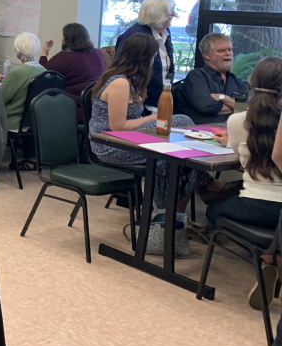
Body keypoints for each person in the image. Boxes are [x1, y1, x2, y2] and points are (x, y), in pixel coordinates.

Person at [89, 33, 206, 210]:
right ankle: (168, 211)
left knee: (180, 155)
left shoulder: (132, 80)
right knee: (182, 123)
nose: (154, 61)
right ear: (144, 58)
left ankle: (173, 212)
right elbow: (117, 127)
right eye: (153, 57)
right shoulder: (119, 83)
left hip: (126, 139)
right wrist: (152, 118)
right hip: (109, 145)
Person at [206, 57, 282, 239]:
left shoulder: (237, 121)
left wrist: (232, 139)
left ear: (251, 83)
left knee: (212, 210)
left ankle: (265, 251)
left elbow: (240, 150)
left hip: (253, 205)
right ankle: (268, 251)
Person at [114, 0, 176, 108]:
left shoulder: (165, 32)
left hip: (161, 98)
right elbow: (125, 71)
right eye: (171, 15)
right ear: (160, 17)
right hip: (141, 103)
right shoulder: (137, 37)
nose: (174, 17)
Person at [39, 22, 105, 120]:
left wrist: (44, 53)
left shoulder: (64, 57)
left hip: (73, 109)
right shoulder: (96, 53)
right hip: (95, 107)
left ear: (67, 39)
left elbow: (42, 74)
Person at [181, 32, 249, 124]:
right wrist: (236, 107)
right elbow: (206, 107)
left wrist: (223, 98)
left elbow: (248, 110)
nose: (228, 53)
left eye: (230, 49)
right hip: (200, 132)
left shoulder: (237, 81)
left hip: (230, 132)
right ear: (207, 55)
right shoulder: (197, 76)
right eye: (221, 50)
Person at [0, 32, 46, 131]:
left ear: (18, 52)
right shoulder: (45, 72)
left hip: (13, 122)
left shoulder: (15, 74)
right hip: (35, 123)